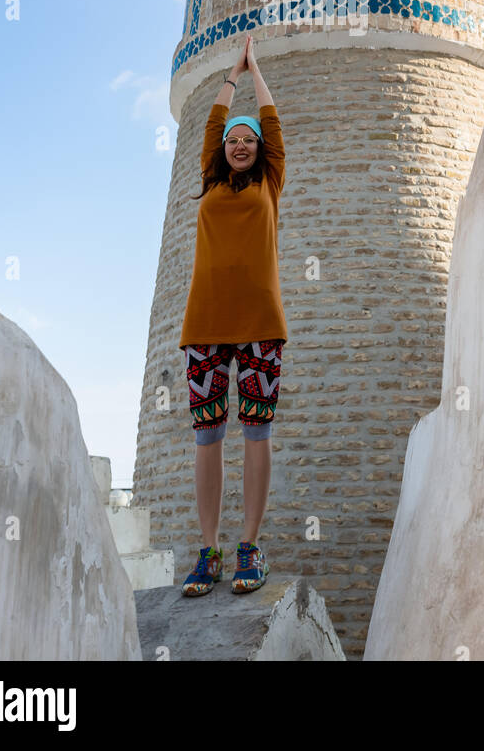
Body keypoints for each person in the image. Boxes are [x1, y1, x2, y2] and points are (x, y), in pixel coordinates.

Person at [178, 33, 288, 597]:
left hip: (260, 325)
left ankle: (249, 545)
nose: (241, 144)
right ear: (221, 149)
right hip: (205, 325)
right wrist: (229, 76)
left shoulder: (270, 180)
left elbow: (271, 124)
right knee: (207, 437)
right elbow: (212, 124)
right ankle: (208, 550)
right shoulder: (209, 179)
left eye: (248, 140)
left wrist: (256, 70)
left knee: (256, 432)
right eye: (232, 140)